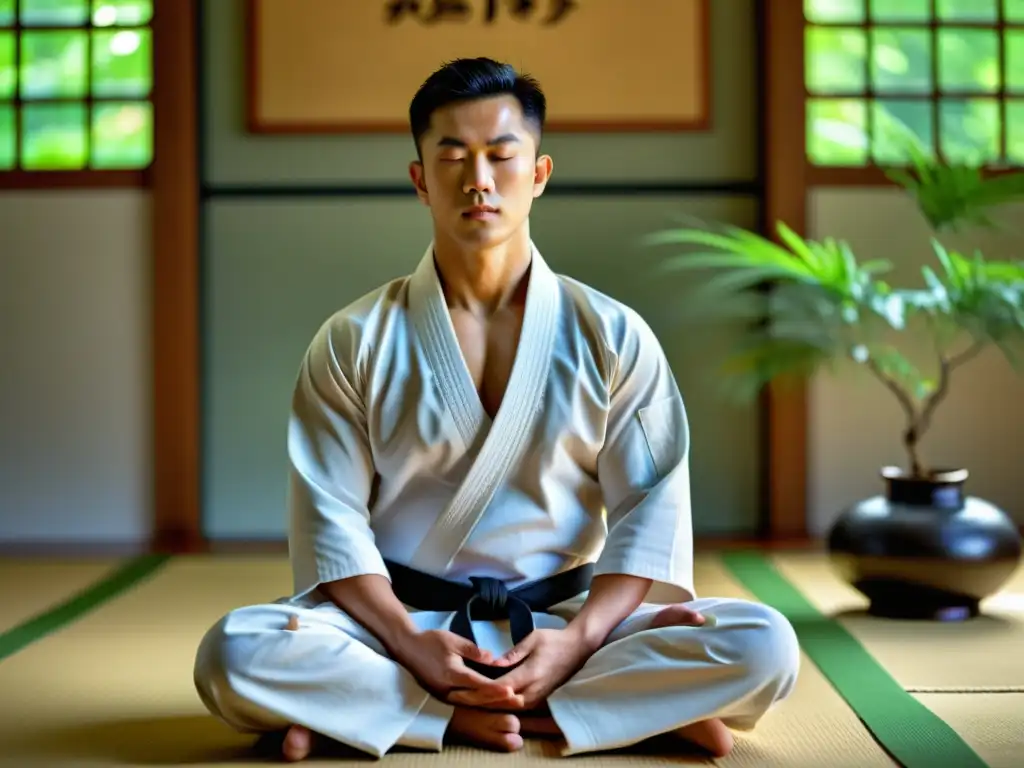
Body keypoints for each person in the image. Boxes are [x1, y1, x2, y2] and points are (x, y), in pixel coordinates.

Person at [193, 57, 800, 763]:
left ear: (538, 174)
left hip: (569, 619)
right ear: (420, 180)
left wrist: (575, 644)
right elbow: (331, 522)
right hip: (403, 621)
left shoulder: (611, 334)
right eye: (451, 157)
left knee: (765, 646)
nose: (478, 179)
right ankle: (576, 712)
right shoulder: (354, 339)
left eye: (501, 156)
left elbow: (650, 515)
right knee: (232, 654)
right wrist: (411, 643)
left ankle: (386, 712)